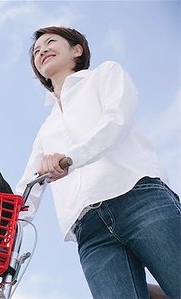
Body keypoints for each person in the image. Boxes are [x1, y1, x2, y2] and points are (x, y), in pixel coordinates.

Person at [16, 26, 180, 298]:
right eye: (36, 51)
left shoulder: (105, 75)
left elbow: (117, 121)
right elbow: (27, 189)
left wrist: (70, 159)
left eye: (50, 42)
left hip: (139, 200)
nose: (41, 50)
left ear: (77, 50)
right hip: (89, 232)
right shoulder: (46, 129)